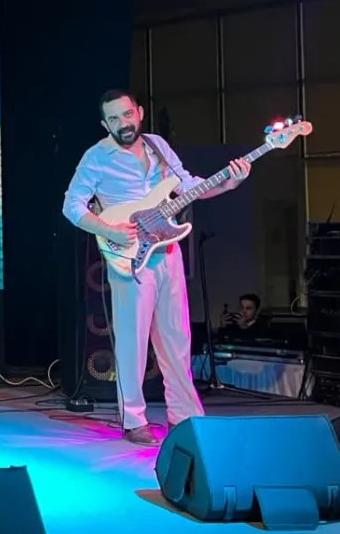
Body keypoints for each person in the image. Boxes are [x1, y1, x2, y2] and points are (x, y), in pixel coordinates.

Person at [62, 89, 251, 445]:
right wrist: (109, 229)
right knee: (132, 343)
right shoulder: (96, 157)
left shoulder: (158, 146)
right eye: (113, 119)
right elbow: (72, 206)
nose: (122, 123)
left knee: (177, 339)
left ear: (139, 113)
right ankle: (134, 419)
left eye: (126, 114)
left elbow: (188, 186)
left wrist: (230, 182)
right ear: (104, 124)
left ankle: (186, 417)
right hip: (129, 255)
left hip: (168, 251)